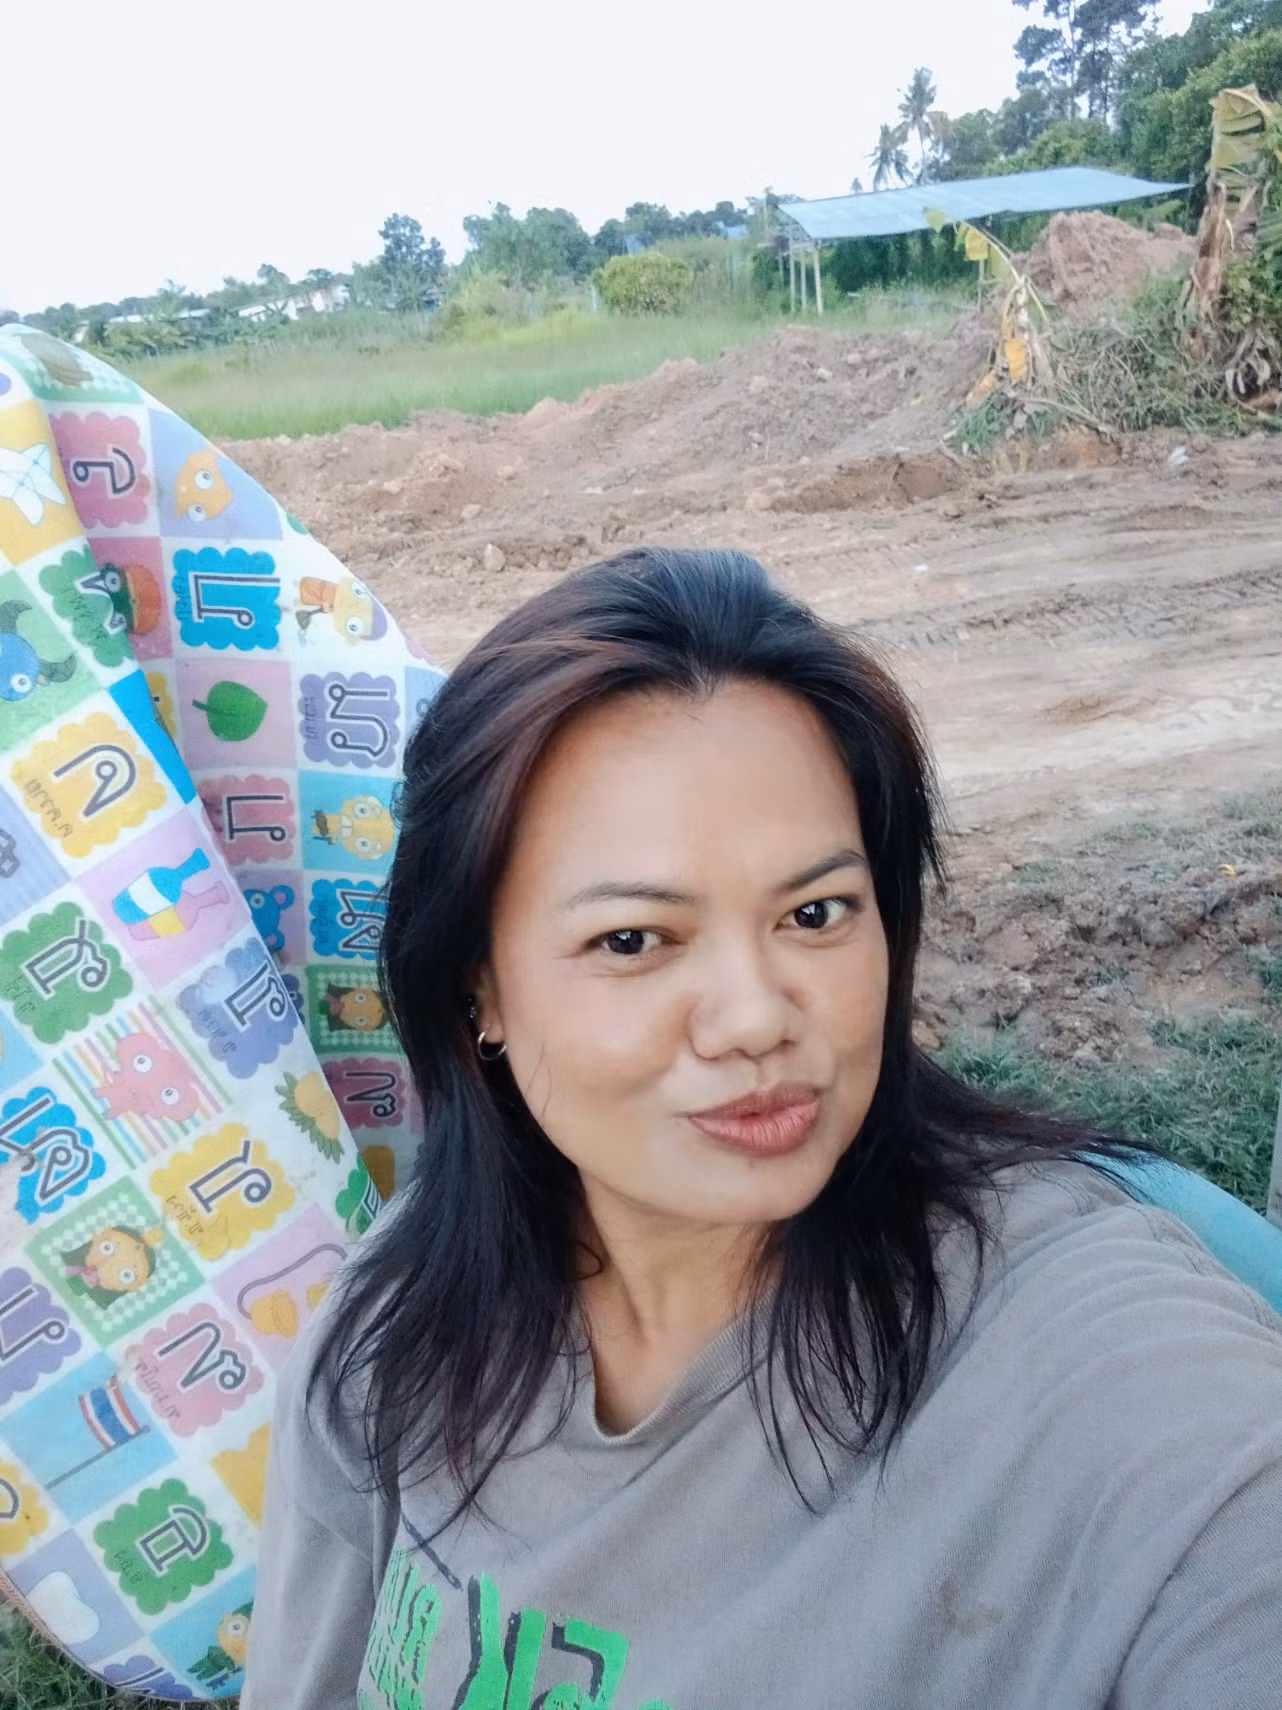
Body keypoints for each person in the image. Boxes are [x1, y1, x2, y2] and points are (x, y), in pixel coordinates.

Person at [242, 548, 1282, 1710]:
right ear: (475, 985)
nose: (753, 1019)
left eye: (815, 912)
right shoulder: (396, 1334)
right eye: (633, 940)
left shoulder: (1099, 1371)